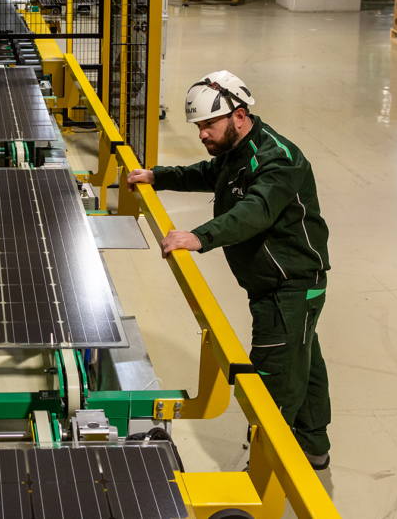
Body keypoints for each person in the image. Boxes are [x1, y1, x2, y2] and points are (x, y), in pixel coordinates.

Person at [126, 71, 333, 470]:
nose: (202, 134)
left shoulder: (277, 160)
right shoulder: (237, 150)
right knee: (303, 367)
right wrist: (158, 176)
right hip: (276, 286)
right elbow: (211, 175)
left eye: (208, 124)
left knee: (273, 384)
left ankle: (266, 472)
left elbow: (254, 211)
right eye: (199, 126)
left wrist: (199, 237)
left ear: (238, 115)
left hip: (288, 288)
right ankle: (314, 448)